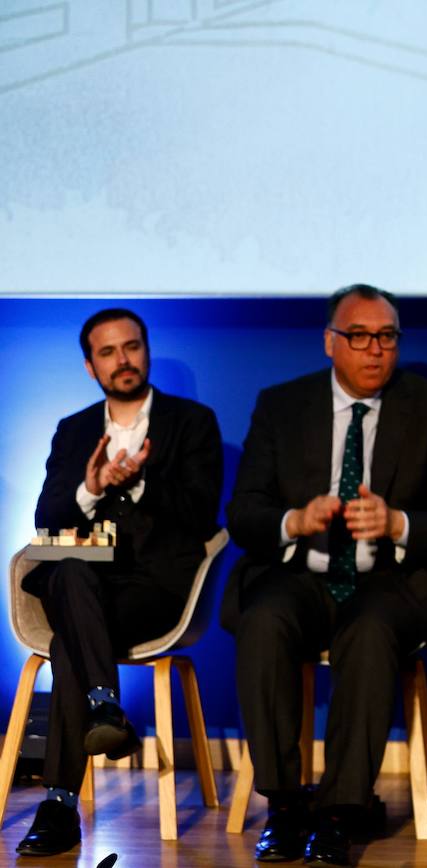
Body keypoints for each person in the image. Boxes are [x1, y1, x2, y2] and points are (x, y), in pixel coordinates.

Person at [222, 284, 427, 866]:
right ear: (330, 343)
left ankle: (339, 813)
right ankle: (285, 807)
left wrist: (396, 521)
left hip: (391, 581)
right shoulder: (281, 406)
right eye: (359, 337)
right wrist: (294, 518)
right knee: (263, 620)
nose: (375, 351)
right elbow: (243, 516)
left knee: (369, 629)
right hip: (302, 572)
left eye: (387, 337)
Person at [16, 308, 223, 858]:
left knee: (68, 647)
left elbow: (203, 515)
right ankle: (104, 708)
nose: (123, 360)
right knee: (73, 572)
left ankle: (59, 804)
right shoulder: (74, 430)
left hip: (154, 587)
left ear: (146, 351)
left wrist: (140, 483)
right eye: (108, 352)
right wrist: (91, 487)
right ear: (90, 366)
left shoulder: (192, 422)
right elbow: (48, 517)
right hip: (82, 584)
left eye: (131, 347)